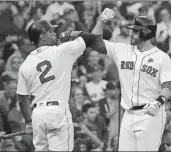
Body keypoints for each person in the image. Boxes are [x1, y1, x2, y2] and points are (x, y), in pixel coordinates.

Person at [16, 13, 114, 151]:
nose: (55, 33)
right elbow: (91, 37)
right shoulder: (61, 51)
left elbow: (21, 99)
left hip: (38, 114)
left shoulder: (25, 64)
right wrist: (71, 33)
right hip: (57, 112)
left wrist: (28, 121)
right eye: (50, 32)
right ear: (42, 37)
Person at [90, 9, 171, 151]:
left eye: (136, 31)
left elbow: (169, 85)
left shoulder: (162, 58)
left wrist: (160, 101)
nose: (132, 33)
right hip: (128, 114)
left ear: (146, 33)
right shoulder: (122, 50)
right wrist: (102, 21)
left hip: (151, 114)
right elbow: (95, 43)